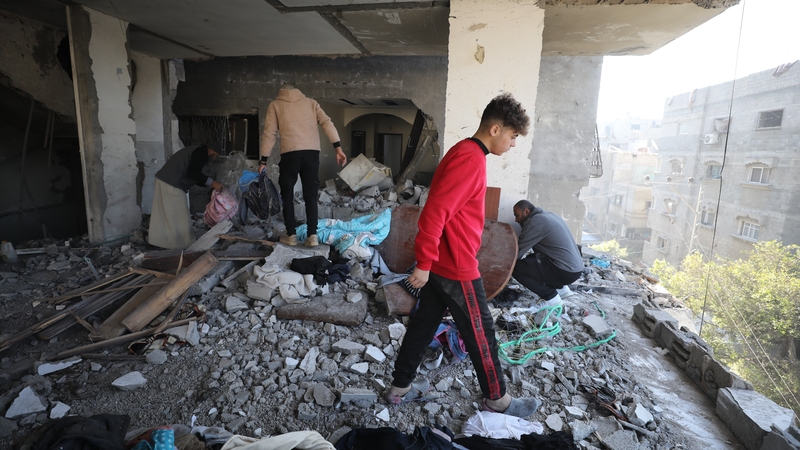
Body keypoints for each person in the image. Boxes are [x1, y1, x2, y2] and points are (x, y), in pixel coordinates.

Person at [386, 93, 542, 418]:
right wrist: (425, 263)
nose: (514, 144)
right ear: (496, 129)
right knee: (481, 333)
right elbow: (434, 213)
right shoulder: (470, 159)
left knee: (423, 325)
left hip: (444, 263)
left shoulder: (465, 152)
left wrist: (430, 263)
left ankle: (399, 388)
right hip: (454, 267)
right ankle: (497, 398)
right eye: (513, 137)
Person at [259, 84, 347, 247]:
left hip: (290, 154)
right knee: (310, 195)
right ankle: (312, 236)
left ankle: (291, 235)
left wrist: (263, 161)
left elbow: (269, 133)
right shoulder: (311, 103)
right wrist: (338, 148)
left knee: (287, 195)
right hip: (312, 154)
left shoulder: (275, 105)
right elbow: (327, 123)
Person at [148, 144, 224, 250]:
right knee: (178, 215)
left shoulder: (196, 150)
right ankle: (181, 246)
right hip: (171, 182)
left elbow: (193, 174)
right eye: (215, 155)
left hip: (165, 180)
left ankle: (160, 242)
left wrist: (210, 184)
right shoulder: (201, 152)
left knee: (164, 214)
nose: (214, 158)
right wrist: (212, 182)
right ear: (211, 150)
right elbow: (193, 173)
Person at [511, 199, 584, 308]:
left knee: (516, 268)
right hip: (575, 269)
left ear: (526, 211)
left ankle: (551, 298)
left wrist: (502, 268)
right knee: (531, 259)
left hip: (565, 271)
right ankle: (561, 289)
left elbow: (517, 253)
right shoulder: (549, 215)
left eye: (517, 215)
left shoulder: (535, 222)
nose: (516, 220)